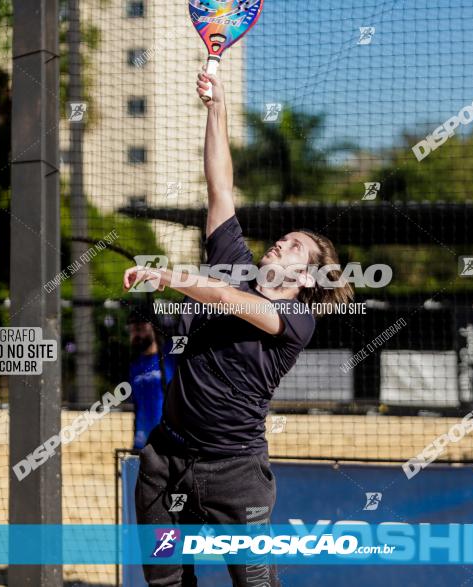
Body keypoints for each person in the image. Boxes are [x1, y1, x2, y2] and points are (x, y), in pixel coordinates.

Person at [122, 68, 353, 587]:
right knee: (165, 581)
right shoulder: (237, 262)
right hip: (165, 458)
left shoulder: (297, 320)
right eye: (283, 238)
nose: (281, 244)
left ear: (307, 276)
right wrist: (217, 108)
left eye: (295, 246)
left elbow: (226, 298)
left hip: (236, 474)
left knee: (254, 584)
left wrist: (165, 275)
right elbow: (220, 186)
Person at [128, 308, 176, 450]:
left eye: (140, 327)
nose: (136, 333)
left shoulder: (171, 355)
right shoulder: (135, 365)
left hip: (171, 440)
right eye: (132, 329)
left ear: (153, 327)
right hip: (142, 441)